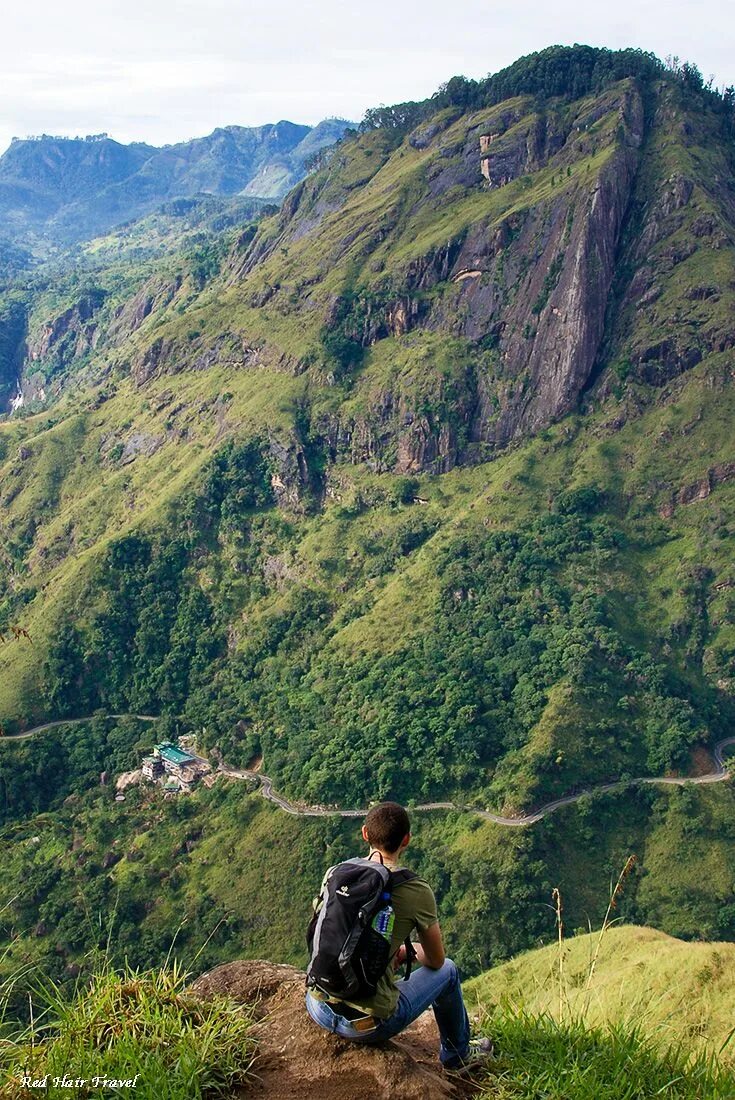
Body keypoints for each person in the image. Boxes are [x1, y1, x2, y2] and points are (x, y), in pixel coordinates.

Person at [305, 801, 493, 1074]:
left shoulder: (336, 873)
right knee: (449, 972)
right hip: (367, 1026)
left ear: (365, 834)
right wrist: (409, 950)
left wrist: (394, 953)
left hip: (318, 1007)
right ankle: (457, 1056)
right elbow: (437, 960)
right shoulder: (416, 889)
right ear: (406, 840)